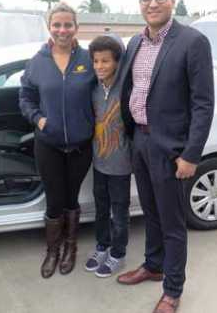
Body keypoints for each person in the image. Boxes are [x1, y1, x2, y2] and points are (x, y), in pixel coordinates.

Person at [117, 0, 215, 313]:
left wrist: (191, 154)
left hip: (171, 149)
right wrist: (130, 138)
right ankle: (153, 265)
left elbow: (203, 103)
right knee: (150, 213)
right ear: (140, 4)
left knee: (173, 223)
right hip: (140, 142)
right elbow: (129, 90)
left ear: (172, 0)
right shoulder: (135, 43)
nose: (153, 3)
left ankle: (172, 290)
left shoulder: (192, 42)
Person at [19, 2, 96, 279]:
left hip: (80, 145)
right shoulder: (37, 62)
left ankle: (71, 247)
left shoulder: (88, 60)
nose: (62, 30)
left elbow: (104, 92)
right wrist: (38, 119)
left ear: (76, 27)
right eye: (57, 25)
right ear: (49, 27)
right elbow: (25, 96)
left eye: (68, 25)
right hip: (48, 144)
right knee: (54, 200)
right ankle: (53, 250)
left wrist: (94, 123)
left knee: (71, 198)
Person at [84, 35, 132, 278]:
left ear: (117, 62)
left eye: (105, 61)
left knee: (119, 212)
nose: (100, 66)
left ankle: (118, 254)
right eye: (96, 61)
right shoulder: (93, 89)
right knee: (101, 209)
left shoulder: (125, 89)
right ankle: (102, 246)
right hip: (99, 162)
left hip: (121, 165)